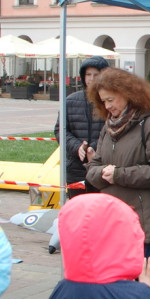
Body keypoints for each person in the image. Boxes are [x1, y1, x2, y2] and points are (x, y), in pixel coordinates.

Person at [84, 68, 150, 260]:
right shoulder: (108, 128)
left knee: (133, 284)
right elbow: (93, 168)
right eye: (103, 101)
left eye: (111, 99)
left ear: (127, 94)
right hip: (112, 220)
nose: (107, 106)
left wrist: (119, 174)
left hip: (141, 223)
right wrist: (101, 173)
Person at [54, 56, 110, 196]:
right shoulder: (71, 101)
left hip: (103, 167)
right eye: (88, 75)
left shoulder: (110, 101)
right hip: (75, 169)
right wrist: (77, 147)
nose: (91, 79)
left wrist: (94, 148)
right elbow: (60, 130)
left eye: (96, 75)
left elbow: (114, 130)